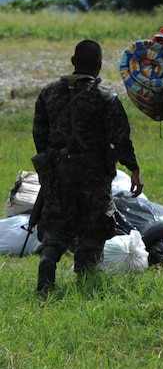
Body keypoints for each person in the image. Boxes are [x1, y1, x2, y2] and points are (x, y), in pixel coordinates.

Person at [32, 39, 144, 293]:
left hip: (59, 170)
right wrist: (134, 169)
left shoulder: (48, 93)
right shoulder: (105, 98)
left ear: (73, 62)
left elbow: (39, 133)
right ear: (99, 66)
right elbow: (120, 138)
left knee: (59, 220)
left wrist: (50, 163)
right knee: (94, 222)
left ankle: (49, 257)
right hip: (94, 173)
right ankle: (86, 274)